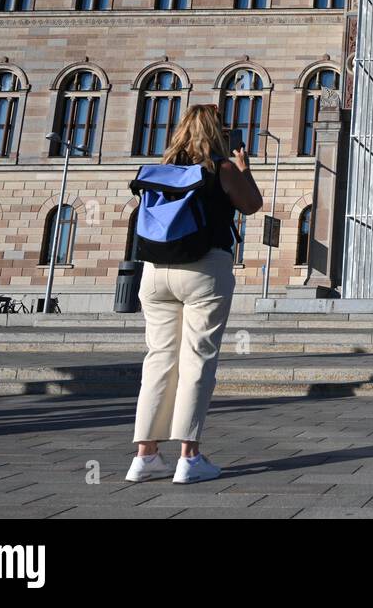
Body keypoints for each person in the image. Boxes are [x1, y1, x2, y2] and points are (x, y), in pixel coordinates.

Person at [126, 104, 262, 485]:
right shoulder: (220, 169)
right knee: (197, 360)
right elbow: (251, 205)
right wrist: (244, 169)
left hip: (154, 273)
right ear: (216, 133)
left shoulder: (159, 171)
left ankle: (145, 456)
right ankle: (189, 456)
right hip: (203, 269)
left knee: (158, 360)